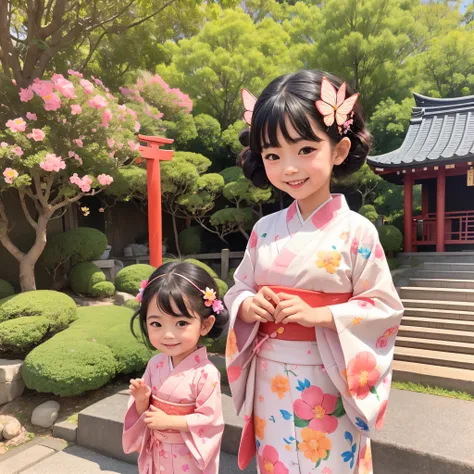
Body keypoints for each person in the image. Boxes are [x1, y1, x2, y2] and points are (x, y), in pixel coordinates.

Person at [225, 69, 404, 474]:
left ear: (338, 150)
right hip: (270, 377)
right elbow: (237, 290)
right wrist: (249, 305)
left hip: (329, 377)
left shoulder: (357, 231)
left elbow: (384, 307)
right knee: (278, 463)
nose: (289, 167)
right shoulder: (263, 230)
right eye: (273, 155)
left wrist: (320, 316)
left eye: (305, 149)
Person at [122, 261, 228, 474]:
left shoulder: (206, 373)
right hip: (157, 450)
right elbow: (145, 414)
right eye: (156, 324)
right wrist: (142, 400)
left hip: (187, 455)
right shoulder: (155, 364)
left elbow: (210, 420)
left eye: (181, 323)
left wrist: (170, 421)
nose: (168, 334)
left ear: (205, 325)